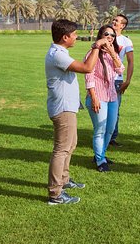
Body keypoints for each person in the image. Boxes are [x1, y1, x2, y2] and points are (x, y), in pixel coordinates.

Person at [45, 19, 111, 205]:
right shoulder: (57, 54)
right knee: (62, 149)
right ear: (65, 37)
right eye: (74, 34)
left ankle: (64, 181)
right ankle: (55, 194)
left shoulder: (61, 53)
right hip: (63, 109)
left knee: (70, 145)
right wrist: (97, 46)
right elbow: (87, 68)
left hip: (68, 107)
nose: (76, 37)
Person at [85, 24, 123, 172]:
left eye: (112, 35)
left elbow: (120, 69)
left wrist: (113, 53)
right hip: (98, 96)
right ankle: (100, 160)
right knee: (100, 130)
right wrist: (93, 97)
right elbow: (89, 77)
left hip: (112, 96)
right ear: (101, 35)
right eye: (106, 34)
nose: (110, 37)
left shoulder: (112, 54)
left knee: (110, 129)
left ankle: (101, 154)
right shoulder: (92, 53)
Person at [109, 14, 134, 146]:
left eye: (117, 21)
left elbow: (130, 62)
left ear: (122, 26)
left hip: (117, 80)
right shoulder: (106, 36)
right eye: (114, 20)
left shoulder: (126, 41)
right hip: (103, 79)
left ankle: (112, 137)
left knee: (115, 110)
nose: (114, 22)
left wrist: (128, 81)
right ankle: (101, 135)